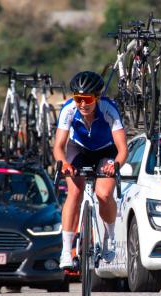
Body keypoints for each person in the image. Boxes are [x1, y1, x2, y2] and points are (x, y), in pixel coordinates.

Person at [53, 71, 128, 269]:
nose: (82, 104)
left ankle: (109, 236)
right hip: (78, 149)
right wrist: (65, 164)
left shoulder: (109, 109)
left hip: (106, 150)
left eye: (87, 99)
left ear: (97, 97)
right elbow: (59, 146)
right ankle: (66, 250)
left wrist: (115, 165)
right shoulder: (69, 109)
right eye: (78, 99)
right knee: (74, 192)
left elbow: (122, 149)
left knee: (103, 194)